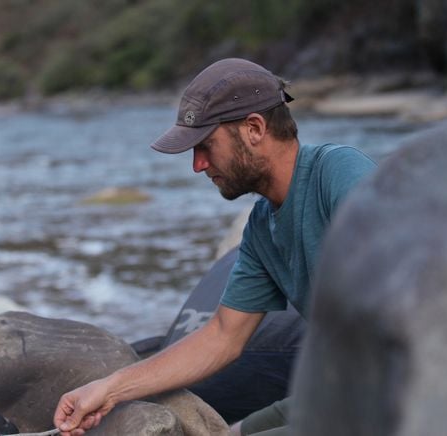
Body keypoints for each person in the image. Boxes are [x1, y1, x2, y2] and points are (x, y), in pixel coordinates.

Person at [53, 58, 377, 436]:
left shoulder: (339, 172)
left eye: (206, 145)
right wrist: (109, 389)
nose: (198, 165)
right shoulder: (261, 227)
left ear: (254, 128)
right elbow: (222, 337)